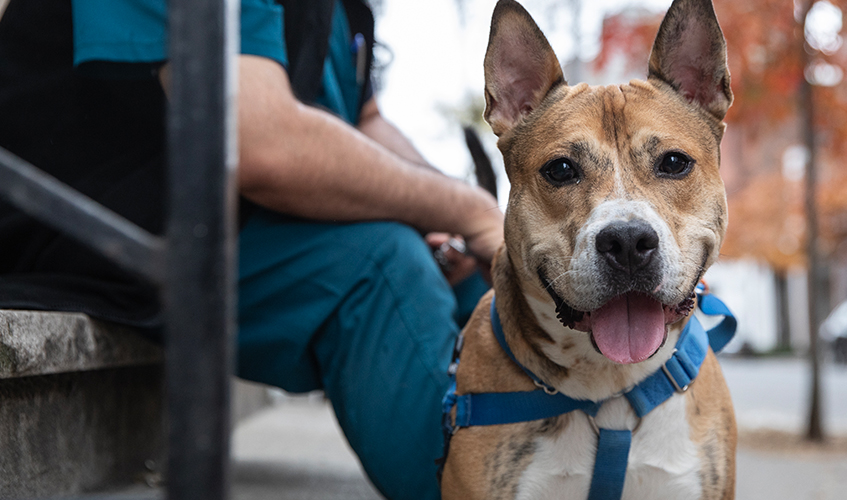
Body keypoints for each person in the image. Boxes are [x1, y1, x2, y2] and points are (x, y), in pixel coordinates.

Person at [0, 0, 502, 498]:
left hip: (221, 220)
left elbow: (366, 122)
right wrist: (464, 209)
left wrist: (471, 222)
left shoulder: (347, 13)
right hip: (87, 222)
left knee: (487, 273)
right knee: (381, 264)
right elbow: (259, 143)